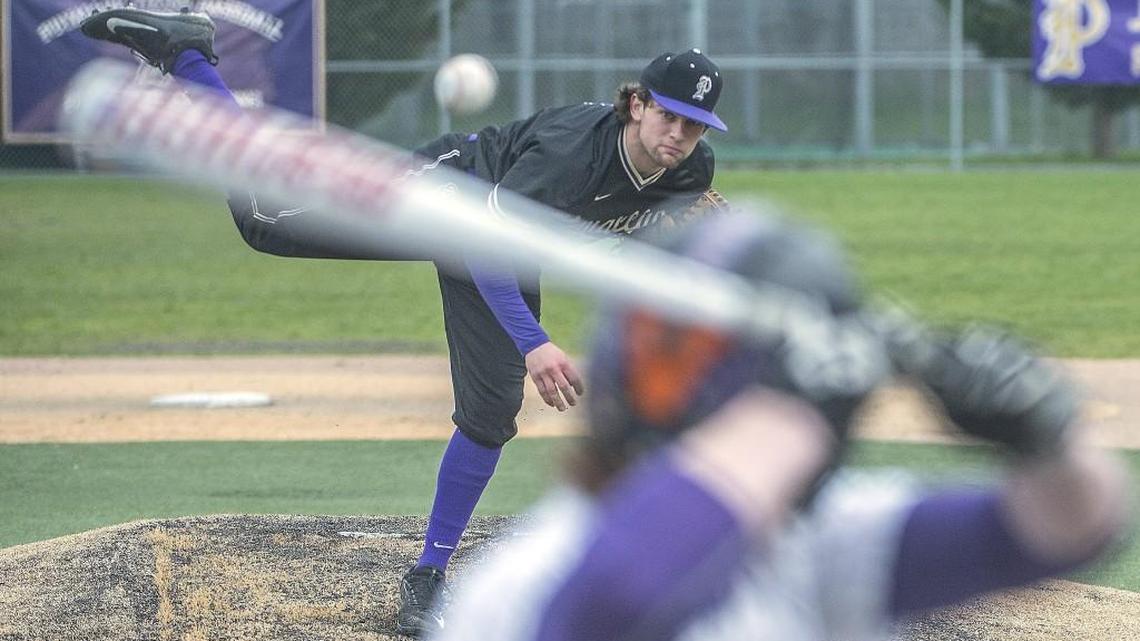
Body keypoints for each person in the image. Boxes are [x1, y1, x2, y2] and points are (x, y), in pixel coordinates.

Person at [78, 7, 729, 637]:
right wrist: (534, 342)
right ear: (638, 104)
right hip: (452, 194)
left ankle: (427, 573)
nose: (678, 135)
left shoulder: (687, 171)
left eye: (694, 126)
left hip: (506, 240)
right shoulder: (568, 156)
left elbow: (667, 246)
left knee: (491, 409)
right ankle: (188, 56)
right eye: (669, 115)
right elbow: (483, 246)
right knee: (264, 218)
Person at [427, 211, 1133, 641]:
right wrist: (797, 413)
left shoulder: (814, 541)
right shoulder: (527, 578)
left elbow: (1072, 530)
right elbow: (621, 595)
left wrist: (1047, 433)